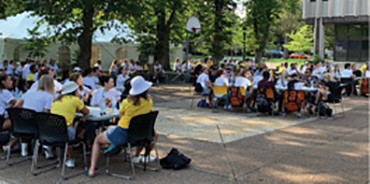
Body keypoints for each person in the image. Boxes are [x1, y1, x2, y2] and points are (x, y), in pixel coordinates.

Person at [87, 76, 154, 177]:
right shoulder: (149, 102)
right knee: (111, 128)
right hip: (139, 134)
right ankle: (116, 146)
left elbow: (120, 115)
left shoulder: (127, 102)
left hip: (123, 133)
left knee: (97, 140)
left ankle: (91, 169)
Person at [51, 81, 89, 168]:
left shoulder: (56, 100)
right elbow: (86, 112)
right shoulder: (75, 100)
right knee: (85, 124)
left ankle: (62, 157)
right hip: (65, 131)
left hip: (51, 130)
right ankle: (71, 158)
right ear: (74, 91)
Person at [14, 75, 55, 157]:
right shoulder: (49, 96)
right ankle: (47, 146)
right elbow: (45, 113)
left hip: (23, 123)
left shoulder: (29, 92)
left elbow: (16, 106)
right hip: (37, 125)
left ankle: (24, 149)